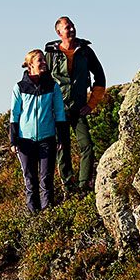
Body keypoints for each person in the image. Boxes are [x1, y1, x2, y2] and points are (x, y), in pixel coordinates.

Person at [44, 16, 107, 194]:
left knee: (87, 145)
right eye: (67, 27)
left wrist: (92, 103)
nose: (71, 29)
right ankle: (68, 185)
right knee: (62, 147)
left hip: (79, 108)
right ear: (59, 33)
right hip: (58, 110)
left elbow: (100, 77)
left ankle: (83, 184)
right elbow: (43, 80)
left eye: (72, 26)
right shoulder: (51, 54)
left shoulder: (86, 51)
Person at [9, 49, 66, 214]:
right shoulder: (20, 87)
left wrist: (61, 138)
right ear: (30, 64)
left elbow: (60, 112)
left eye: (44, 60)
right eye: (40, 60)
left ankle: (47, 212)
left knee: (46, 178)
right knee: (30, 179)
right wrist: (13, 140)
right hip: (25, 140)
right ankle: (34, 213)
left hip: (47, 138)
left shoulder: (52, 86)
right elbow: (15, 114)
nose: (43, 63)